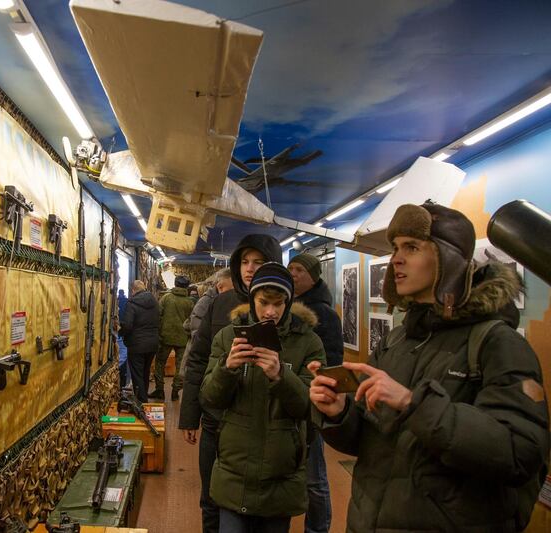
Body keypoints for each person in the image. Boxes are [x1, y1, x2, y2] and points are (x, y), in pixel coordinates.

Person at [309, 202, 550, 532]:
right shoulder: (396, 341)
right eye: (395, 248)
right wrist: (339, 413)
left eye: (412, 247)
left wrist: (413, 404)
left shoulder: (497, 344)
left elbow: (520, 453)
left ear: (448, 257)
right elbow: (368, 441)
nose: (396, 259)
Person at [200, 262, 326, 532]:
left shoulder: (308, 343)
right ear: (252, 299)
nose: (271, 311)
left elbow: (310, 407)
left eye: (279, 303)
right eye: (264, 302)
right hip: (234, 470)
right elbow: (209, 398)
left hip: (280, 474)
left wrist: (281, 376)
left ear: (289, 302)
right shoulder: (227, 337)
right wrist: (227, 368)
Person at [179, 234, 284, 533]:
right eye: (245, 262)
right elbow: (198, 359)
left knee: (259, 508)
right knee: (211, 500)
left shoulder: (283, 309)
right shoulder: (221, 303)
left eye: (259, 262)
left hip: (265, 424)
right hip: (216, 421)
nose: (250, 269)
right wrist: (190, 415)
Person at [287, 253, 342, 533]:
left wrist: (318, 393)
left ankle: (318, 529)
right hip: (290, 399)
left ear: (314, 275)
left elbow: (332, 362)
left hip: (313, 403)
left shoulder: (324, 314)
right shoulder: (286, 307)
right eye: (291, 269)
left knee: (314, 477)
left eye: (299, 269)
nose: (293, 273)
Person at [150, 275, 194, 401]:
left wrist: (159, 331)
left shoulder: (166, 298)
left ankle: (159, 390)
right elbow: (192, 320)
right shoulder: (190, 302)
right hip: (183, 338)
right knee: (180, 367)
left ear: (175, 284)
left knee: (160, 363)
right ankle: (175, 391)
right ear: (187, 286)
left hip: (165, 337)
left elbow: (158, 315)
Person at [182, 268, 233, 370]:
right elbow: (198, 333)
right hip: (202, 361)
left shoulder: (219, 301)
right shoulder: (206, 302)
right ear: (220, 287)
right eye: (231, 289)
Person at [120, 280, 160, 403]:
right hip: (152, 344)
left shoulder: (131, 304)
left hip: (136, 344)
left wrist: (120, 332)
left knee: (137, 374)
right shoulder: (155, 302)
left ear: (133, 290)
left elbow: (128, 325)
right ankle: (144, 398)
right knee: (145, 372)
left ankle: (141, 402)